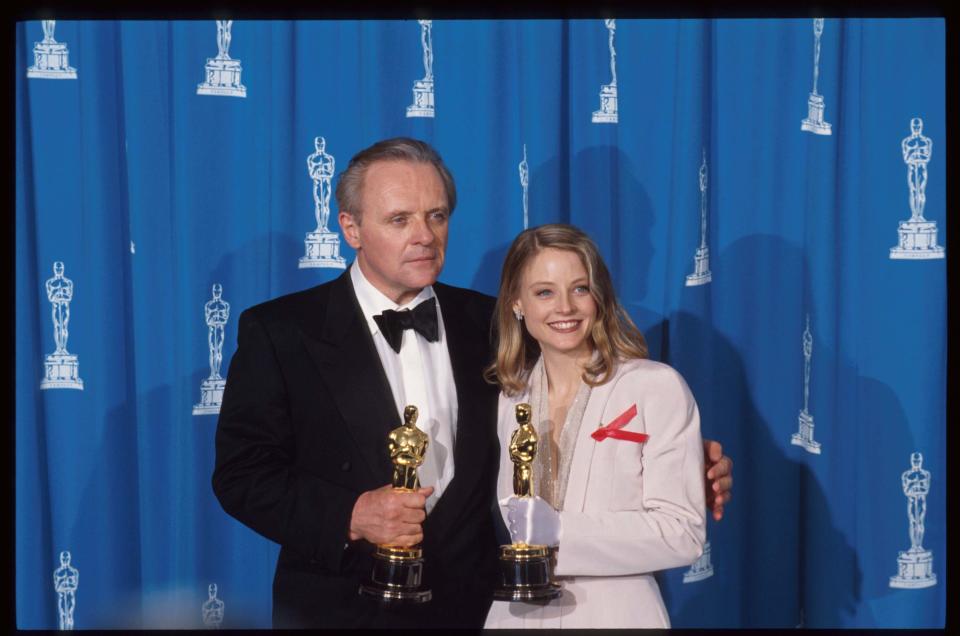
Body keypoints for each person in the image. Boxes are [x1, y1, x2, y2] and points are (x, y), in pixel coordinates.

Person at [212, 138, 733, 629]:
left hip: (476, 605)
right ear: (350, 228)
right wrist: (352, 514)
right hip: (342, 606)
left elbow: (580, 402)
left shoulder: (494, 326)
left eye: (436, 215)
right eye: (399, 219)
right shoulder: (281, 331)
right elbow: (242, 476)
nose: (424, 235)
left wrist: (682, 458)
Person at [484, 224, 705, 628]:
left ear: (598, 296)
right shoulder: (507, 399)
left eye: (580, 288)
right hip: (514, 619)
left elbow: (682, 533)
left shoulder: (654, 387)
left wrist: (562, 531)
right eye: (544, 292)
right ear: (517, 303)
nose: (565, 307)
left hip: (618, 616)